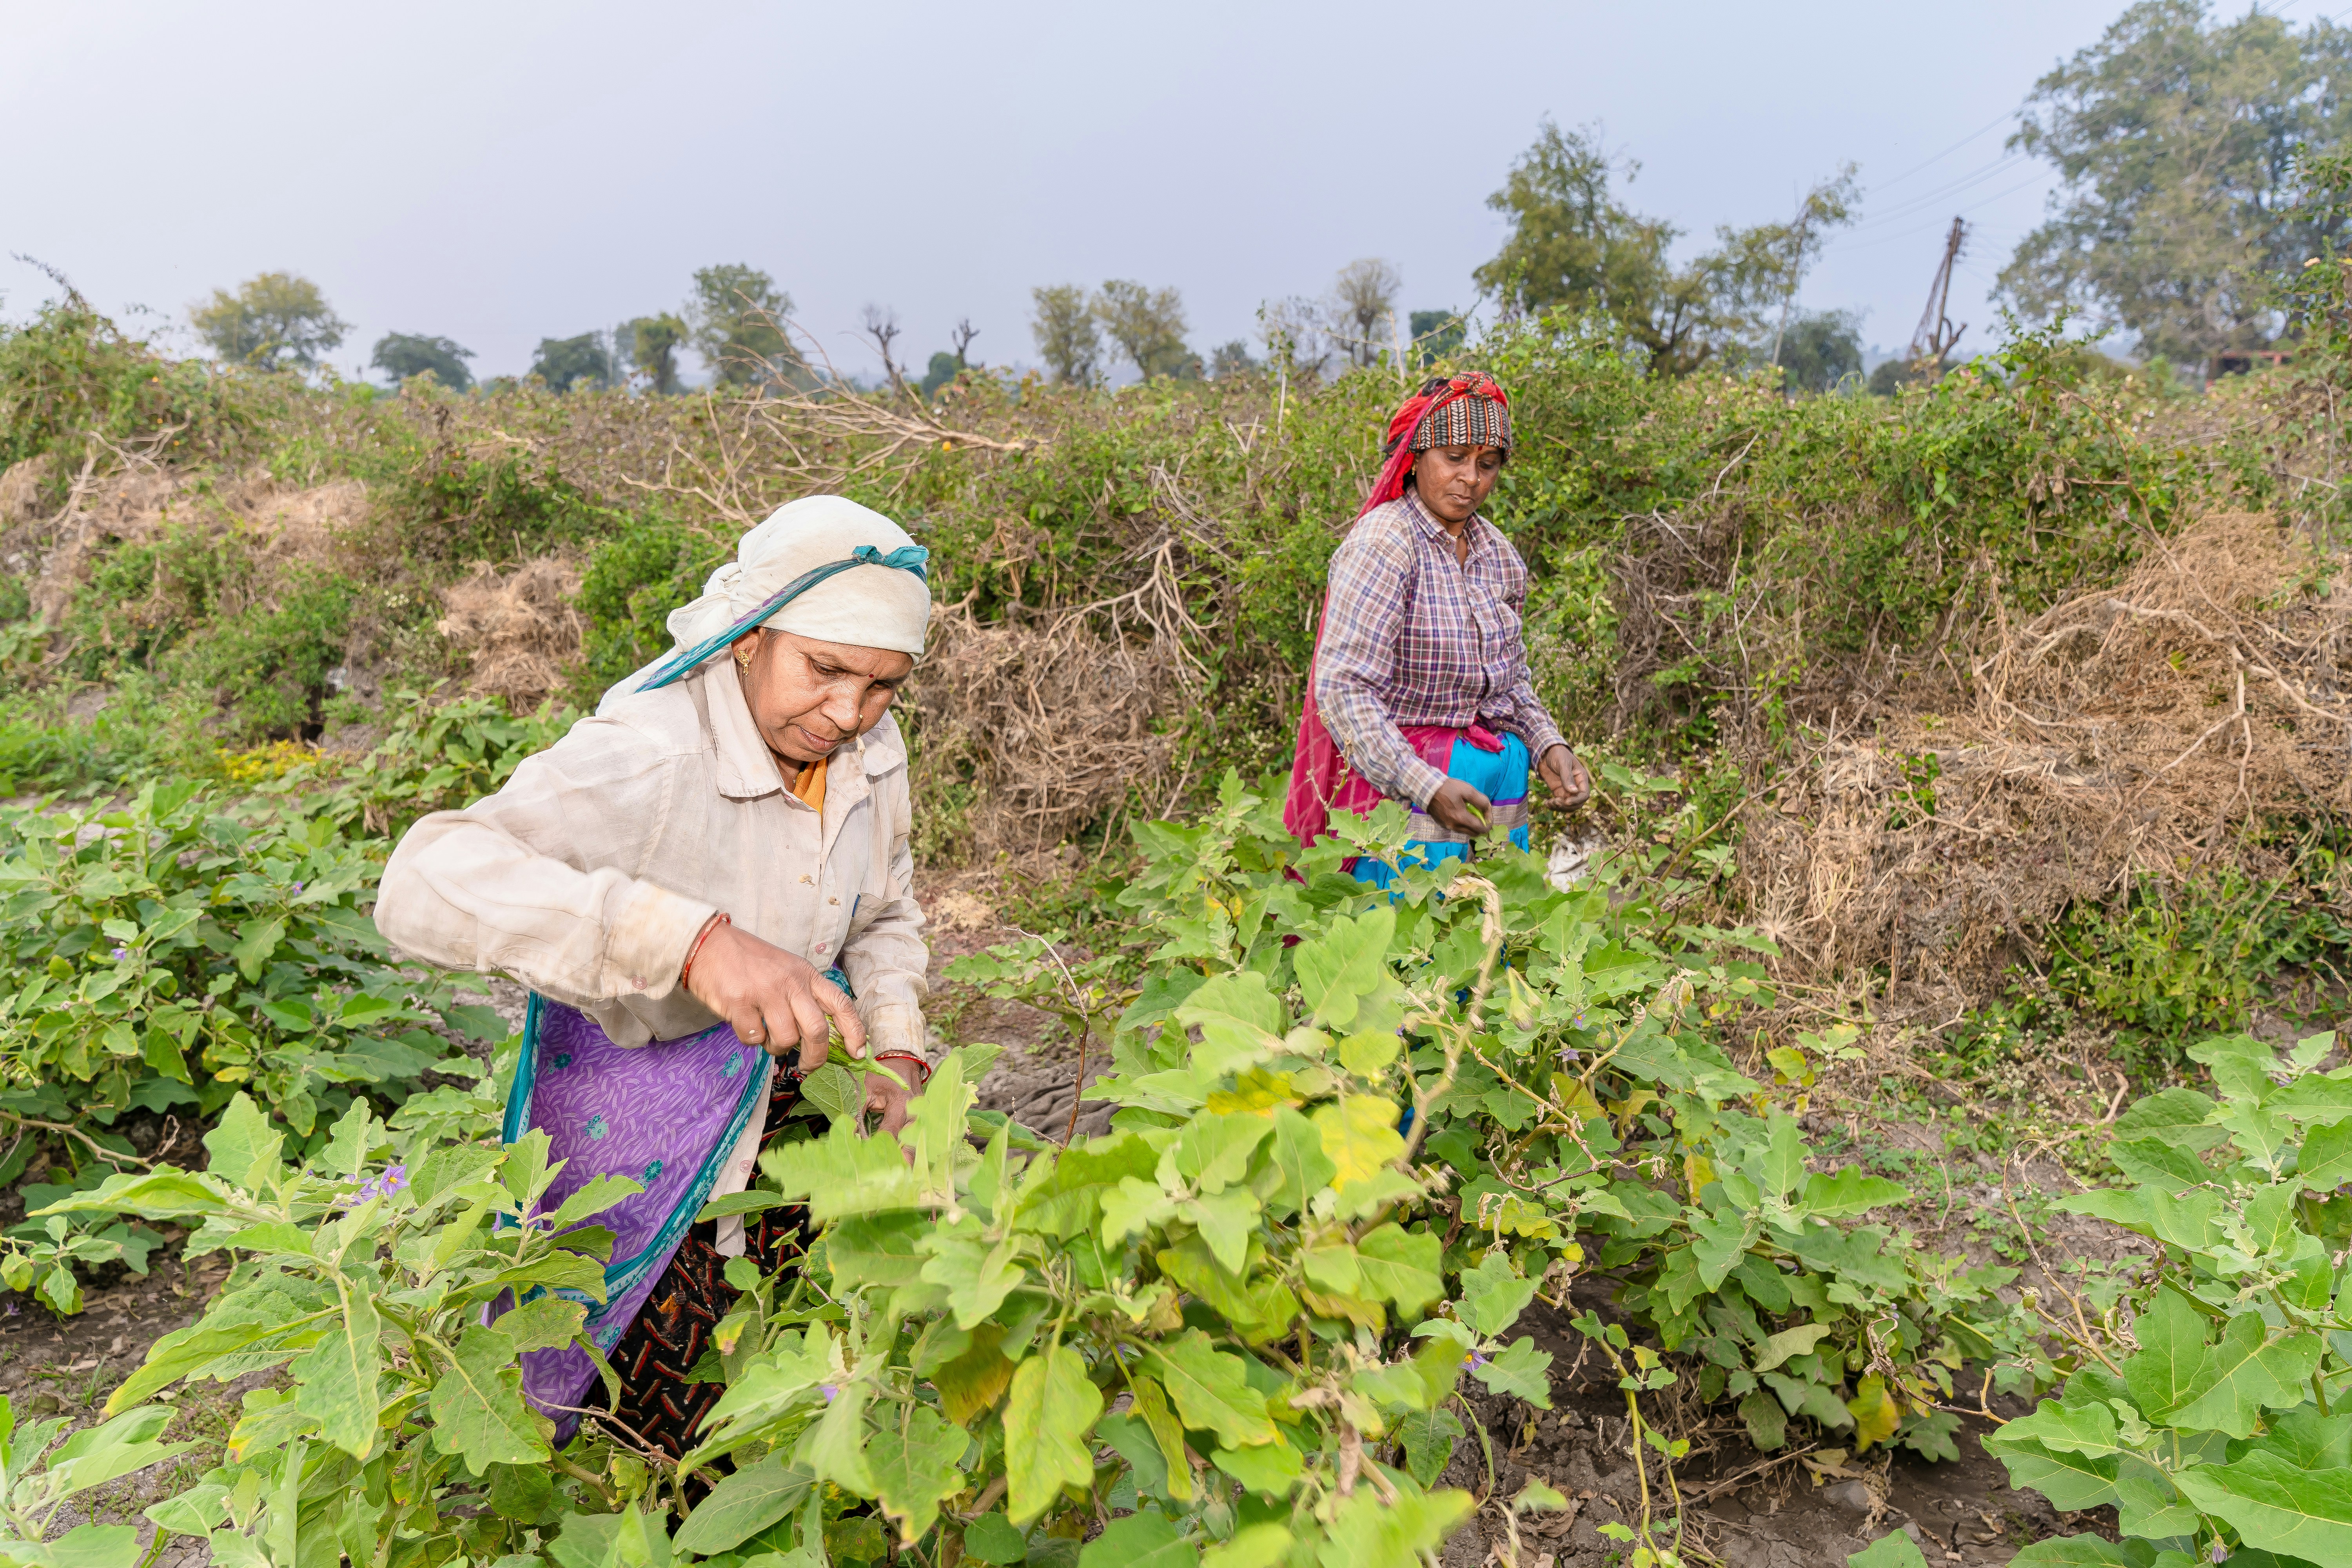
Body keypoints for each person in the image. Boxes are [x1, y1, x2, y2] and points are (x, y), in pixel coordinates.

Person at [374, 494, 935, 1458]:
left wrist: (896, 1043)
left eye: (883, 684)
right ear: (751, 637)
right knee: (662, 1411)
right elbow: (423, 879)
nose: (848, 712)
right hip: (641, 1117)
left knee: (797, 1356)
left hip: (790, 1089)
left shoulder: (870, 753)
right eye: (827, 669)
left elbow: (884, 909)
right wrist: (690, 941)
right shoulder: (652, 752)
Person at [1285, 372, 1591, 883]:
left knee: (1487, 938)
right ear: (1416, 458)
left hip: (1488, 791)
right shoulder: (1385, 544)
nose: (1471, 478)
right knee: (1401, 944)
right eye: (1454, 458)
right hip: (1399, 794)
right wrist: (1425, 786)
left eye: (1487, 464)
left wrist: (1548, 747)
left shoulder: (1499, 557)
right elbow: (1343, 690)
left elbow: (1509, 684)